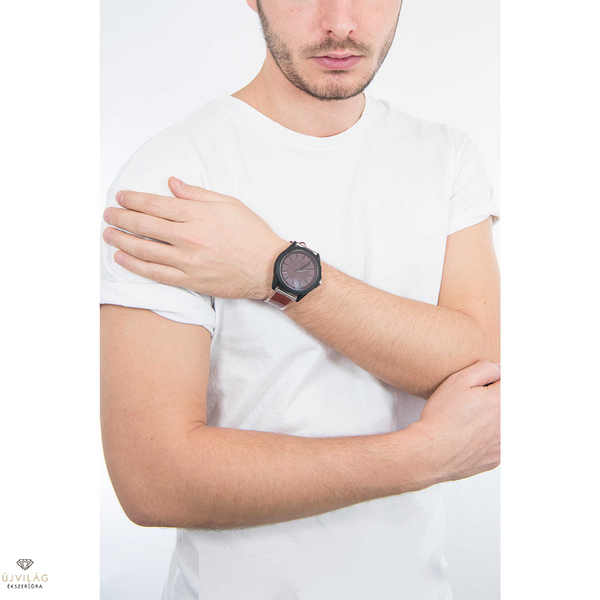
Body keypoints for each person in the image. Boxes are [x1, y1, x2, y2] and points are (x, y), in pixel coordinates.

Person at [100, 0, 500, 598]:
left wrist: (276, 269)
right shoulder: (174, 176)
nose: (340, 23)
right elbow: (153, 480)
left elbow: (480, 361)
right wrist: (419, 457)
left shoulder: (446, 157)